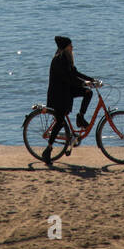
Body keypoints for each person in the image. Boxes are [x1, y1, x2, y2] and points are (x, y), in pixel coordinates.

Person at [42, 35, 95, 166]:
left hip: (67, 91)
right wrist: (84, 83)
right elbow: (69, 79)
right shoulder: (58, 60)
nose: (72, 48)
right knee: (59, 122)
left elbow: (75, 73)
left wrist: (91, 80)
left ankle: (80, 117)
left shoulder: (66, 59)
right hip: (58, 95)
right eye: (70, 46)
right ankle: (47, 150)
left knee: (88, 93)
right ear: (65, 48)